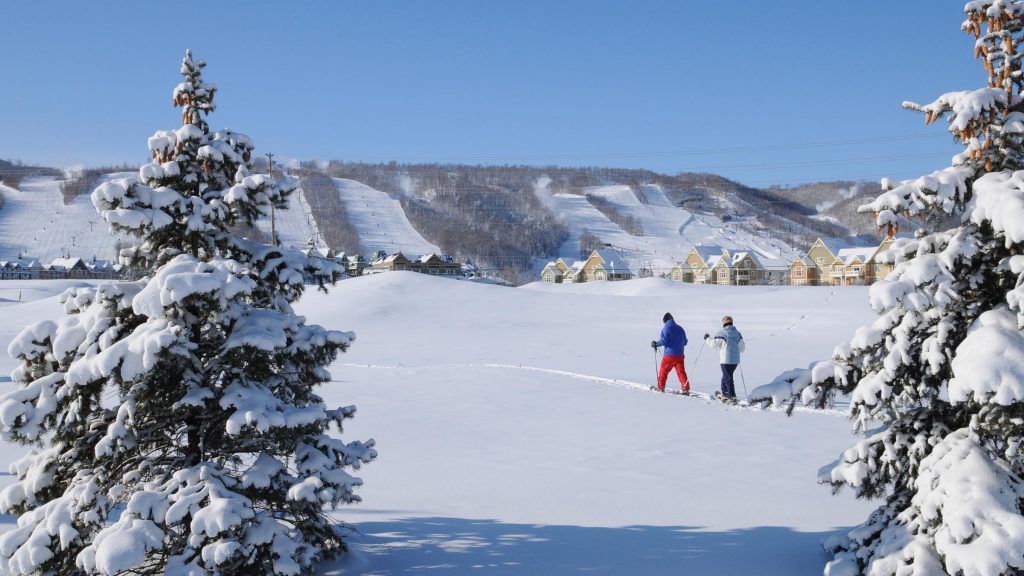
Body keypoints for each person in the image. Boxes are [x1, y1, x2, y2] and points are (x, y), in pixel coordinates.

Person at [704, 315, 745, 402]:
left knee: (728, 377)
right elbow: (742, 348)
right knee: (726, 376)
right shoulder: (738, 334)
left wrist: (707, 338)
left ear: (724, 323)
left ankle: (732, 396)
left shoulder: (722, 333)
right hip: (735, 361)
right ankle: (725, 392)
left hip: (725, 360)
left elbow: (713, 344)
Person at [651, 312, 689, 394]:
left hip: (669, 355)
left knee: (663, 371)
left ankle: (660, 387)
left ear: (665, 320)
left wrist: (656, 344)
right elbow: (685, 342)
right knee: (681, 372)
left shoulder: (666, 328)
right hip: (680, 355)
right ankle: (685, 389)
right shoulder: (680, 328)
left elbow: (663, 341)